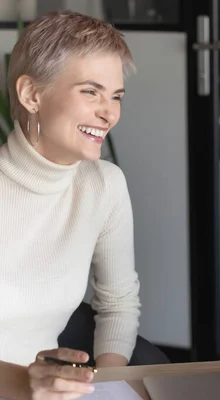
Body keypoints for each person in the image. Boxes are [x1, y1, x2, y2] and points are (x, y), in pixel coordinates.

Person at [0, 11, 141, 400]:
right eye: (90, 91)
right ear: (31, 95)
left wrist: (109, 386)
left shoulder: (104, 186)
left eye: (116, 96)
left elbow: (118, 303)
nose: (109, 113)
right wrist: (23, 384)